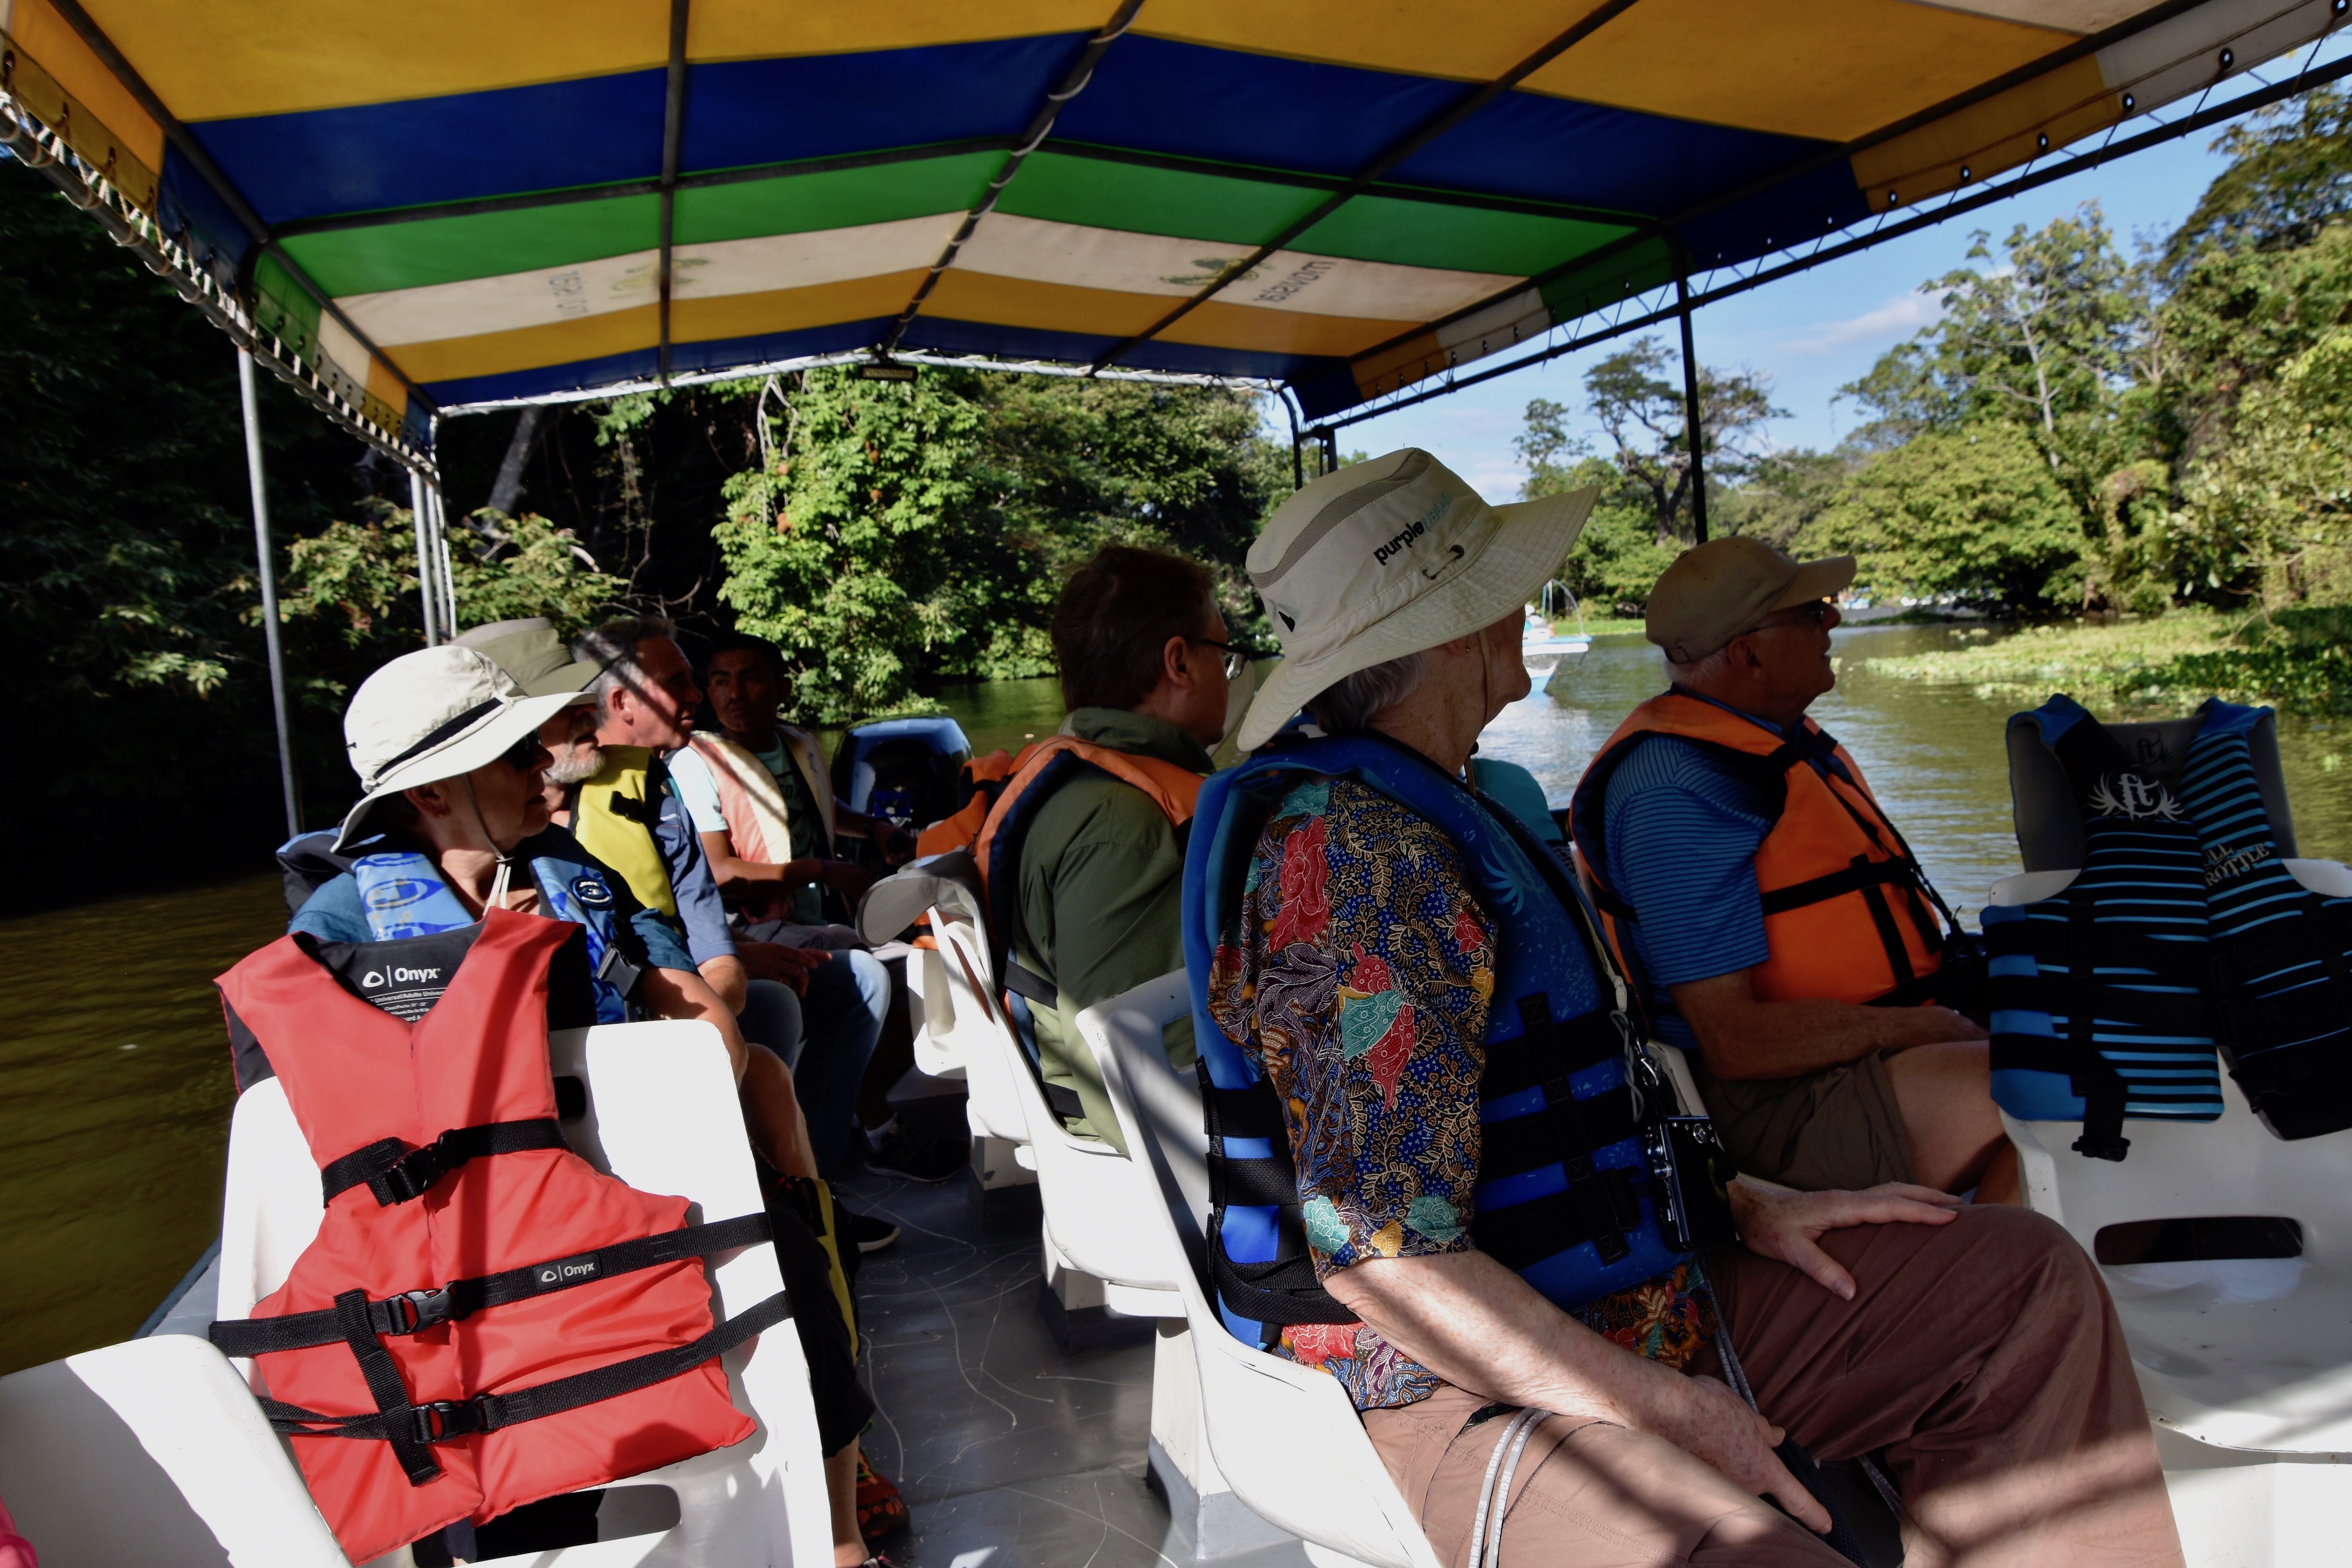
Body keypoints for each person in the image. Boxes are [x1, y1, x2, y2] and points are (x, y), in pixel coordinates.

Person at [1194, 449, 2181, 1567]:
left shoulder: (1445, 810)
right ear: (1463, 626)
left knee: (2023, 1281)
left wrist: (1731, 1198)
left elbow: (1566, 1106)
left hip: (1619, 1292)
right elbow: (1387, 1263)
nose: (1524, 604)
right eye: (1506, 587)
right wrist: (1670, 1410)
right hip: (1442, 1383)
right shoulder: (1365, 865)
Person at [279, 644, 890, 1567]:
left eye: (536, 745)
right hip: (470, 1254)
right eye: (513, 755)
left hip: (634, 1199)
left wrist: (600, 970)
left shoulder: (576, 875)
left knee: (788, 1243)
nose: (545, 766)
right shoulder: (334, 937)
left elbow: (707, 1034)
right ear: (431, 794)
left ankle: (836, 1533)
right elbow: (315, 1135)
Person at [1569, 538, 2017, 1202]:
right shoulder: (1676, 790)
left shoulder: (1773, 741)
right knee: (2055, 1090)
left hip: (1859, 1052)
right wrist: (1920, 1026)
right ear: (1749, 652)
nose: (1831, 622)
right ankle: (1986, 1286)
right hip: (1772, 1102)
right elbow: (1735, 1042)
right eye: (1810, 613)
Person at [568, 618, 892, 1187]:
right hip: (642, 1015)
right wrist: (730, 968)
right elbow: (647, 935)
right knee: (818, 987)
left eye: (744, 680)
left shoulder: (656, 787)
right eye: (688, 683)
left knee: (845, 971)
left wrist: (730, 958)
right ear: (621, 702)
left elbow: (683, 916)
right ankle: (790, 1180)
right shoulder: (590, 808)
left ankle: (815, 1173)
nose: (708, 697)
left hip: (713, 962)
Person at [972, 546, 1231, 1151]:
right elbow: (1135, 1087)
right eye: (1225, 653)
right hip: (1163, 1165)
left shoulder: (1096, 792)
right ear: (1180, 663)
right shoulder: (1125, 823)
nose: (1228, 673)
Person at [679, 630, 915, 922]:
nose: (735, 694)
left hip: (827, 913)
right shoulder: (697, 763)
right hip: (760, 928)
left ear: (783, 690)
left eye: (751, 679)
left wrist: (874, 827)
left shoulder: (798, 743)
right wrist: (824, 870)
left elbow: (817, 806)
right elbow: (718, 872)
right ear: (709, 692)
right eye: (721, 682)